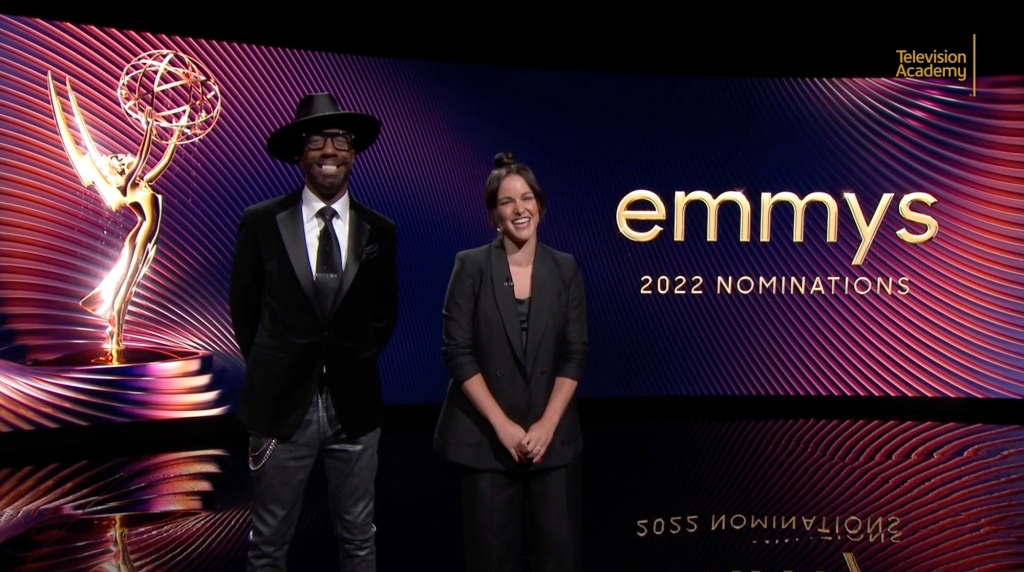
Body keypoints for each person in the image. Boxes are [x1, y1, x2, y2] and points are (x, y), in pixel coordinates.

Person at [229, 92, 398, 572]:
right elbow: (245, 307)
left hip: (355, 405)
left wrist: (353, 359)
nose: (329, 150)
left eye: (340, 139)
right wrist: (276, 364)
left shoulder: (379, 229)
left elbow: (386, 311)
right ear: (299, 154)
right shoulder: (261, 222)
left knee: (359, 540)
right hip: (280, 407)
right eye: (317, 139)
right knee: (268, 545)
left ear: (354, 151)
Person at [434, 153, 587, 572]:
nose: (519, 209)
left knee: (558, 558)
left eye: (527, 198)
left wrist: (546, 425)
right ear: (493, 215)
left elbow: (575, 354)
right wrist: (503, 427)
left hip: (550, 442)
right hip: (486, 443)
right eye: (507, 201)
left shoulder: (565, 268)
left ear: (540, 205)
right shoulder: (471, 266)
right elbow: (458, 352)